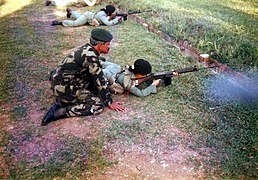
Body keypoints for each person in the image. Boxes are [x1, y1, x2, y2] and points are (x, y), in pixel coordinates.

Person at [41, 28, 125, 126]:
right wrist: (110, 102)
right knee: (97, 105)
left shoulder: (88, 49)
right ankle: (61, 111)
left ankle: (64, 100)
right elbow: (100, 81)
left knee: (95, 89)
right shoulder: (91, 58)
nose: (109, 46)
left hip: (63, 82)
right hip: (64, 89)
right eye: (107, 44)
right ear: (100, 45)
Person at [51, 4, 123, 27]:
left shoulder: (104, 13)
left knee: (79, 16)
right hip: (87, 17)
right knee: (75, 23)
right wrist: (117, 19)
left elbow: (108, 18)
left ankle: (71, 12)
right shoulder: (102, 15)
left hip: (89, 16)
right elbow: (108, 23)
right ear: (109, 13)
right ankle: (60, 22)